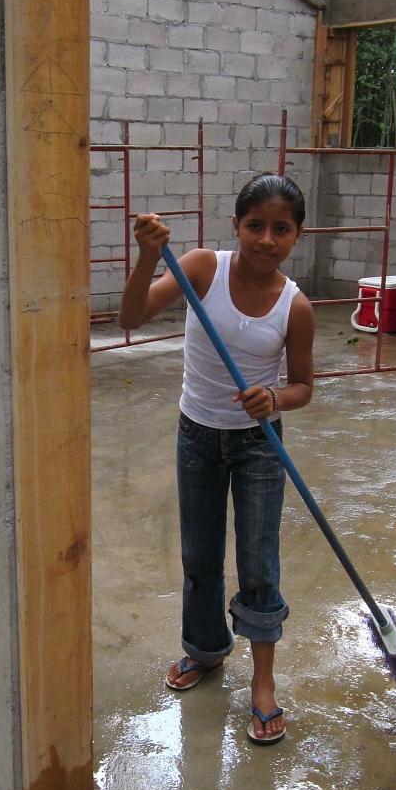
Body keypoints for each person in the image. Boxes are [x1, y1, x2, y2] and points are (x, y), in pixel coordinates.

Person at [119, 173, 314, 744]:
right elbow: (131, 317)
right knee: (200, 554)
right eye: (255, 225)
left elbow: (304, 386)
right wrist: (147, 256)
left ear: (297, 235)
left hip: (259, 444)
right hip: (198, 437)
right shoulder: (203, 268)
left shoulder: (295, 306)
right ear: (236, 226)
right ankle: (205, 650)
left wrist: (274, 398)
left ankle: (263, 684)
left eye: (281, 229)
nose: (266, 240)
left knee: (258, 561)